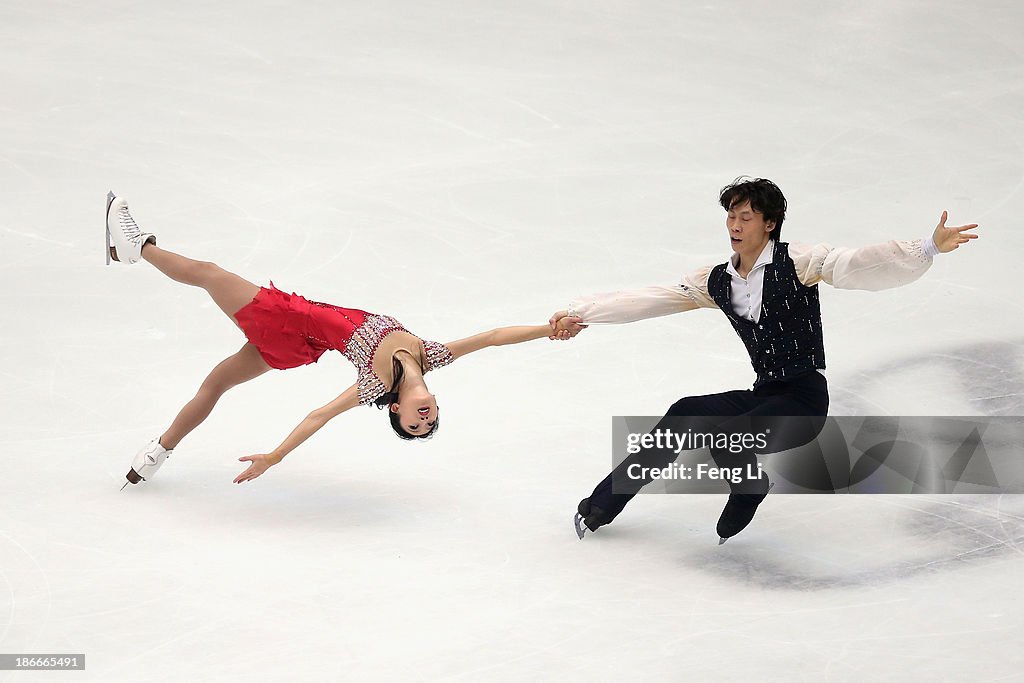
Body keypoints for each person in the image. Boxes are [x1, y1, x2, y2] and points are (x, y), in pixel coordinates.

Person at [550, 177, 979, 543]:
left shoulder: (799, 263)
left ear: (769, 224)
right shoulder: (717, 280)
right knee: (685, 414)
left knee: (725, 440)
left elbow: (858, 264)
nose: (735, 226)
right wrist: (582, 313)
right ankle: (600, 507)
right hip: (765, 394)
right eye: (731, 217)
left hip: (803, 403)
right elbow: (652, 299)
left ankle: (751, 486)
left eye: (746, 217)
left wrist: (927, 247)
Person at [104, 192, 579, 488]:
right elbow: (494, 337)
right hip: (295, 345)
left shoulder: (376, 385)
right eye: (430, 422)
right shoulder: (431, 356)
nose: (425, 420)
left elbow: (319, 415)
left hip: (289, 321)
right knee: (214, 386)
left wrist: (275, 456)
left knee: (209, 275)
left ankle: (136, 247)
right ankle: (154, 455)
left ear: (395, 410)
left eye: (413, 426)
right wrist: (549, 328)